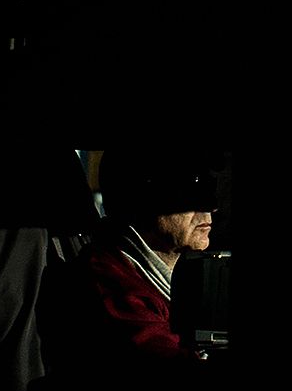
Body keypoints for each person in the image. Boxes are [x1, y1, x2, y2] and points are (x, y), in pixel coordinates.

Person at [55, 150, 221, 374]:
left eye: (210, 189)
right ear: (141, 198)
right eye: (191, 190)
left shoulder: (160, 278)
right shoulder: (113, 288)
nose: (211, 208)